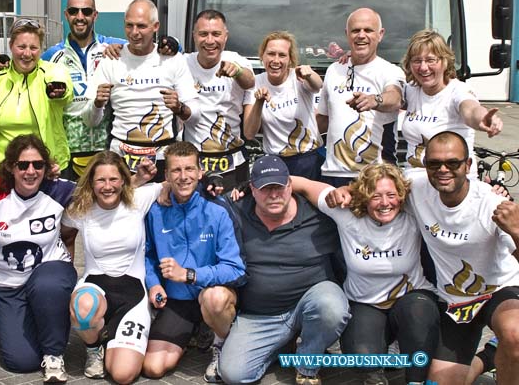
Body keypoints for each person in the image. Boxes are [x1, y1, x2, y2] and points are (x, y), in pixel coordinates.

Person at [296, 163, 438, 385]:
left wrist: (493, 190)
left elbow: (442, 185)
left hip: (410, 299)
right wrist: (250, 187)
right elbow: (303, 185)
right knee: (363, 359)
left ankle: (416, 380)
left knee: (419, 315)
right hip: (366, 303)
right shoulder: (346, 213)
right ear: (363, 196)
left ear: (401, 196)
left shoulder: (412, 213)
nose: (384, 203)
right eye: (375, 196)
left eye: (391, 195)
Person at [0, 135, 77, 383]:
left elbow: (105, 188)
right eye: (23, 165)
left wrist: (144, 182)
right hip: (8, 286)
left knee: (46, 285)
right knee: (21, 362)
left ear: (46, 166)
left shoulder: (58, 189)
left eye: (38, 165)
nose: (31, 171)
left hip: (49, 274)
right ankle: (17, 321)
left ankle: (54, 355)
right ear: (10, 166)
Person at [219, 155, 349, 385]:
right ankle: (281, 345)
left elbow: (366, 195)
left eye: (279, 187)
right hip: (260, 316)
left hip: (310, 303)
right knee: (234, 375)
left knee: (332, 307)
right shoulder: (236, 211)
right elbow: (197, 200)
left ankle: (307, 363)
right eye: (265, 188)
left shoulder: (320, 214)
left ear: (291, 185)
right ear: (251, 189)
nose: (274, 194)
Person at [405, 131, 519, 384]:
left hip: (498, 291)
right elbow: (373, 183)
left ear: (468, 165)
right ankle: (486, 358)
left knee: (514, 335)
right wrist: (342, 193)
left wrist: (517, 230)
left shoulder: (490, 204)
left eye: (452, 163)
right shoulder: (415, 186)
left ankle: (500, 354)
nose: (443, 170)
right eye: (434, 164)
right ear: (425, 166)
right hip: (456, 302)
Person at [143, 141, 245, 382]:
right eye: (176, 171)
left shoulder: (218, 209)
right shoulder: (156, 210)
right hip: (178, 300)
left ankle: (219, 344)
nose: (183, 177)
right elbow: (147, 255)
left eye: (189, 169)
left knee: (214, 299)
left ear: (200, 172)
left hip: (211, 294)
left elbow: (235, 268)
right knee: (153, 368)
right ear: (166, 175)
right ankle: (194, 333)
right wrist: (154, 283)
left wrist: (189, 274)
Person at [61, 151, 159, 383]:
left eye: (113, 179)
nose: (107, 186)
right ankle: (94, 350)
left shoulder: (140, 198)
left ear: (124, 179)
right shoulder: (80, 209)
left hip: (133, 294)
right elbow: (64, 235)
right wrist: (66, 268)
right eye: (101, 180)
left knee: (123, 375)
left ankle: (117, 335)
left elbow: (175, 185)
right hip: (96, 287)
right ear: (91, 183)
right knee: (84, 309)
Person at [84, 0, 200, 179]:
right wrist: (98, 104)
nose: (134, 32)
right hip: (121, 159)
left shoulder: (172, 59)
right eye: (129, 26)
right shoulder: (111, 60)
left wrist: (179, 108)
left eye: (141, 26)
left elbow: (196, 114)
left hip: (164, 159)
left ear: (156, 26)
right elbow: (90, 121)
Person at [41, 0, 126, 179]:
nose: (80, 17)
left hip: (106, 151)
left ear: (95, 15)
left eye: (86, 12)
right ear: (66, 15)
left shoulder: (112, 48)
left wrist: (167, 44)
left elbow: (148, 48)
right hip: (67, 154)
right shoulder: (51, 56)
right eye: (74, 11)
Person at [317, 7, 405, 186]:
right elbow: (323, 119)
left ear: (380, 34)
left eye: (368, 30)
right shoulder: (334, 70)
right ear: (347, 34)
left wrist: (375, 100)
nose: (361, 35)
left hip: (376, 175)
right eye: (356, 30)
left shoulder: (390, 71)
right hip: (333, 174)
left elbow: (395, 98)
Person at [401, 29, 501, 173]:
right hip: (413, 178)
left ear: (445, 61)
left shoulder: (457, 90)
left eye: (430, 60)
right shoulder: (410, 90)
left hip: (450, 181)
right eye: (417, 61)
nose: (423, 67)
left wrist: (482, 119)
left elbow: (470, 109)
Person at [0, 19, 73, 173]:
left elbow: (65, 91)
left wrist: (58, 91)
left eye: (33, 48)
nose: (27, 54)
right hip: (3, 170)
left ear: (41, 49)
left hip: (46, 168)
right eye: (21, 47)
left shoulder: (53, 72)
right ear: (11, 46)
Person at [183, 9, 255, 188]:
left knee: (233, 213)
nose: (209, 41)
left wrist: (236, 71)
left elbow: (250, 81)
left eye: (216, 34)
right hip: (194, 161)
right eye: (203, 34)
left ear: (226, 36)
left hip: (232, 161)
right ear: (194, 36)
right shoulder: (182, 63)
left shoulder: (237, 60)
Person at [244, 31, 324, 180]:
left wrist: (309, 74)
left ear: (290, 59)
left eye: (282, 55)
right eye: (271, 54)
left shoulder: (298, 77)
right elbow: (249, 133)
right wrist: (259, 103)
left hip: (309, 159)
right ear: (262, 56)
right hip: (276, 163)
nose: (276, 60)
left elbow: (317, 86)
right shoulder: (255, 83)